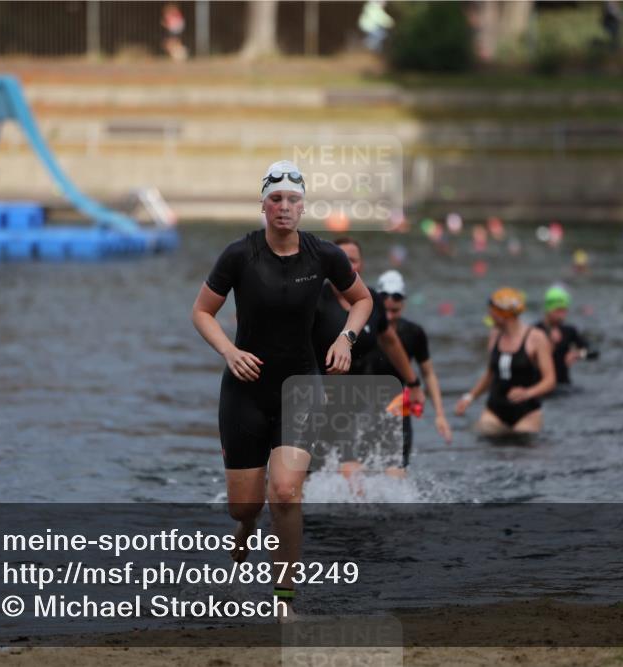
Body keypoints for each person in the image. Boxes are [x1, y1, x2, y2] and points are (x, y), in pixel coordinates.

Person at [192, 161, 372, 614]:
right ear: (264, 205)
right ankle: (246, 526)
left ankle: (283, 597)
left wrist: (345, 340)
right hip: (245, 389)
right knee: (244, 507)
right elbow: (201, 312)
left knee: (287, 492)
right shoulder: (239, 254)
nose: (285, 207)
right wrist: (229, 351)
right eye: (276, 199)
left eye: (293, 200)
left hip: (301, 387)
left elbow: (362, 300)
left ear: (303, 206)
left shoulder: (324, 255)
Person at [311, 237, 425, 478]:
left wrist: (413, 383)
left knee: (385, 467)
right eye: (341, 259)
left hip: (362, 397)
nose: (347, 265)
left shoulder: (371, 299)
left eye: (352, 260)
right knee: (316, 471)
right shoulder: (315, 300)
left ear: (361, 265)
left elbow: (390, 341)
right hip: (322, 395)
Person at [363, 270, 452, 476]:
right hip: (363, 406)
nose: (389, 315)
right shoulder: (365, 330)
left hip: (397, 409)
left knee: (396, 473)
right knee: (361, 473)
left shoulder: (414, 333)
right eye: (385, 309)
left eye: (395, 310)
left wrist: (440, 414)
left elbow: (428, 373)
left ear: (403, 303)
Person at [454, 288, 555, 435]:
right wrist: (469, 397)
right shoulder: (495, 335)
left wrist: (528, 393)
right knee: (480, 439)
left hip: (527, 412)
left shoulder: (536, 338)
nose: (489, 315)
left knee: (521, 445)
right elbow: (490, 374)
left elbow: (550, 380)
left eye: (492, 312)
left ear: (504, 315)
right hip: (495, 410)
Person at [535, 285, 594, 387]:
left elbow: (593, 353)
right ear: (548, 309)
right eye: (558, 310)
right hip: (539, 385)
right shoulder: (536, 331)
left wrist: (578, 354)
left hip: (563, 384)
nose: (562, 315)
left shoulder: (569, 331)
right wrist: (550, 343)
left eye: (564, 310)